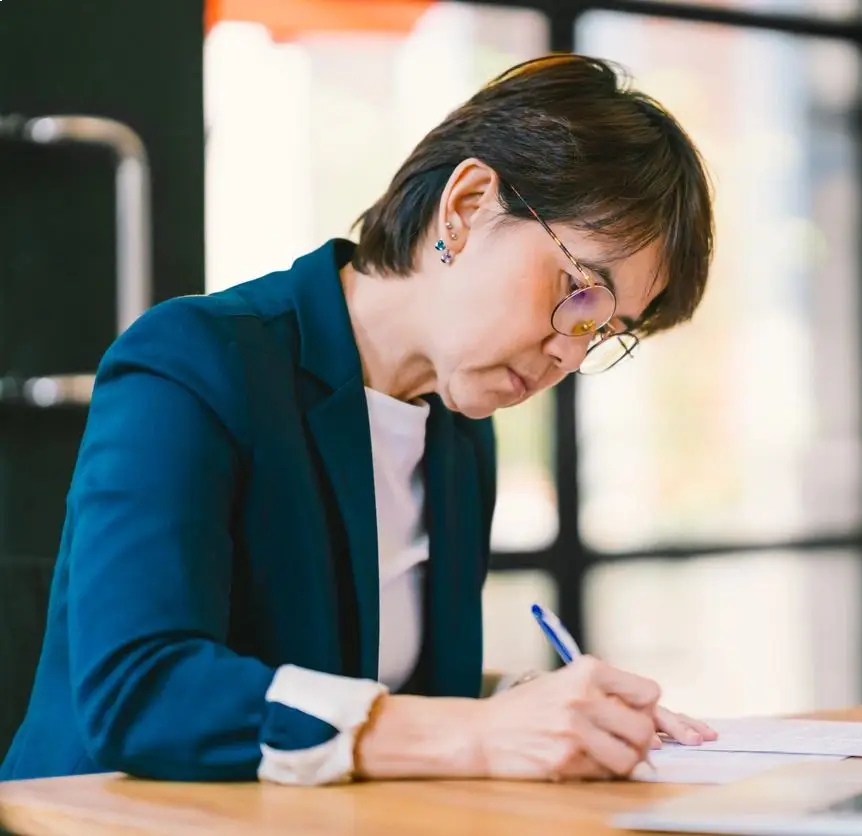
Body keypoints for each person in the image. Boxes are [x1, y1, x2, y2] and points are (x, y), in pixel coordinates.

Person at [0, 54, 717, 786]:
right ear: (466, 207)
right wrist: (475, 732)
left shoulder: (459, 431)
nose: (569, 352)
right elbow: (141, 691)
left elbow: (367, 686)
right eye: (580, 292)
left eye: (605, 330)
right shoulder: (196, 359)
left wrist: (531, 705)